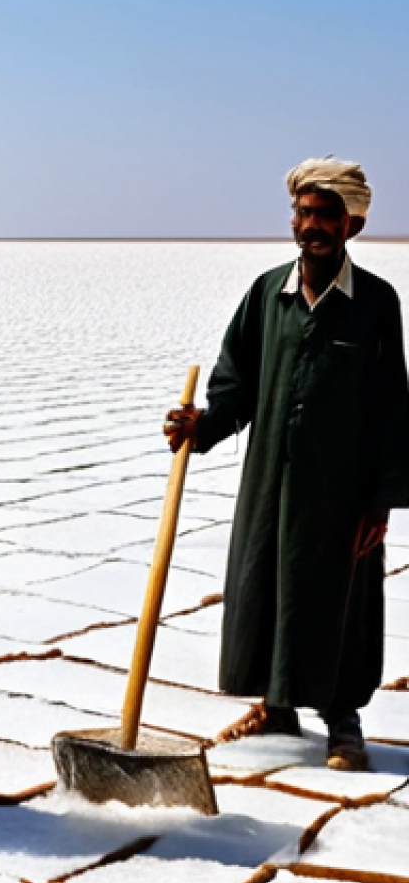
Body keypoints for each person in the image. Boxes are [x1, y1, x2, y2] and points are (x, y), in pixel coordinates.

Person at [165, 157, 409, 771]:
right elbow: (234, 383)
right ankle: (275, 707)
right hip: (270, 480)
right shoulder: (266, 293)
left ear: (352, 224)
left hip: (340, 490)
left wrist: (380, 500)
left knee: (341, 600)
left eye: (326, 215)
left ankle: (343, 721)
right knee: (267, 586)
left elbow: (391, 406)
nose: (311, 226)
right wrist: (204, 427)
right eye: (303, 213)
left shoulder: (376, 303)